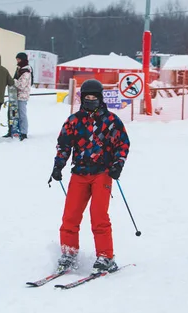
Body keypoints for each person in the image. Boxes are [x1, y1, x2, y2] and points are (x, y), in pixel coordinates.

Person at [49, 79, 130, 275]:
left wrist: (118, 164)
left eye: (94, 97)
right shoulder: (74, 121)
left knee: (99, 216)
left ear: (100, 98)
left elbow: (123, 144)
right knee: (71, 215)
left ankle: (105, 256)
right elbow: (64, 144)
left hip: (102, 173)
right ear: (82, 98)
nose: (90, 100)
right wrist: (58, 165)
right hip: (80, 173)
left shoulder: (111, 121)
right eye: (87, 97)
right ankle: (69, 253)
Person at [12, 52, 32, 141]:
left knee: (22, 114)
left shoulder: (26, 72)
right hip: (18, 95)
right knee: (17, 114)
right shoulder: (20, 70)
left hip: (22, 96)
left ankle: (24, 132)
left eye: (19, 59)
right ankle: (16, 130)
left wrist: (13, 81)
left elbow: (21, 85)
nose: (17, 61)